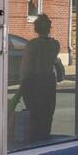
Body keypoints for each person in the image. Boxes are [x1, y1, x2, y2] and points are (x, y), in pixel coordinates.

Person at [14, 13, 64, 146]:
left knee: (34, 111)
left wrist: (22, 83)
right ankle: (44, 136)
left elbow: (26, 67)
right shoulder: (55, 44)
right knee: (47, 111)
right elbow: (54, 61)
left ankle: (34, 138)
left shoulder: (32, 45)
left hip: (33, 80)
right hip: (48, 80)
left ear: (36, 28)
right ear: (49, 28)